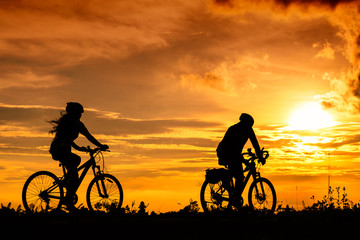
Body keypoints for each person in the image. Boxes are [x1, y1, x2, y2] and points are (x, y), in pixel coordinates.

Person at [48, 102, 109, 209]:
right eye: (79, 113)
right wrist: (78, 147)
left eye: (81, 113)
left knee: (76, 160)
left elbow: (88, 136)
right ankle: (68, 200)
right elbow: (66, 139)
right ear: (73, 113)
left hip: (65, 150)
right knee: (75, 177)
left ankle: (67, 181)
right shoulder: (67, 123)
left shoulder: (79, 124)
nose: (80, 115)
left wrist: (100, 145)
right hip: (58, 149)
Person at [216, 113, 264, 199]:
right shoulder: (235, 129)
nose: (249, 126)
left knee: (236, 174)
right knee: (239, 177)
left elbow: (255, 143)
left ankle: (233, 195)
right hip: (225, 152)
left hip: (231, 153)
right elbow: (233, 149)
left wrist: (259, 155)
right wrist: (259, 157)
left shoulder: (243, 129)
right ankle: (234, 197)